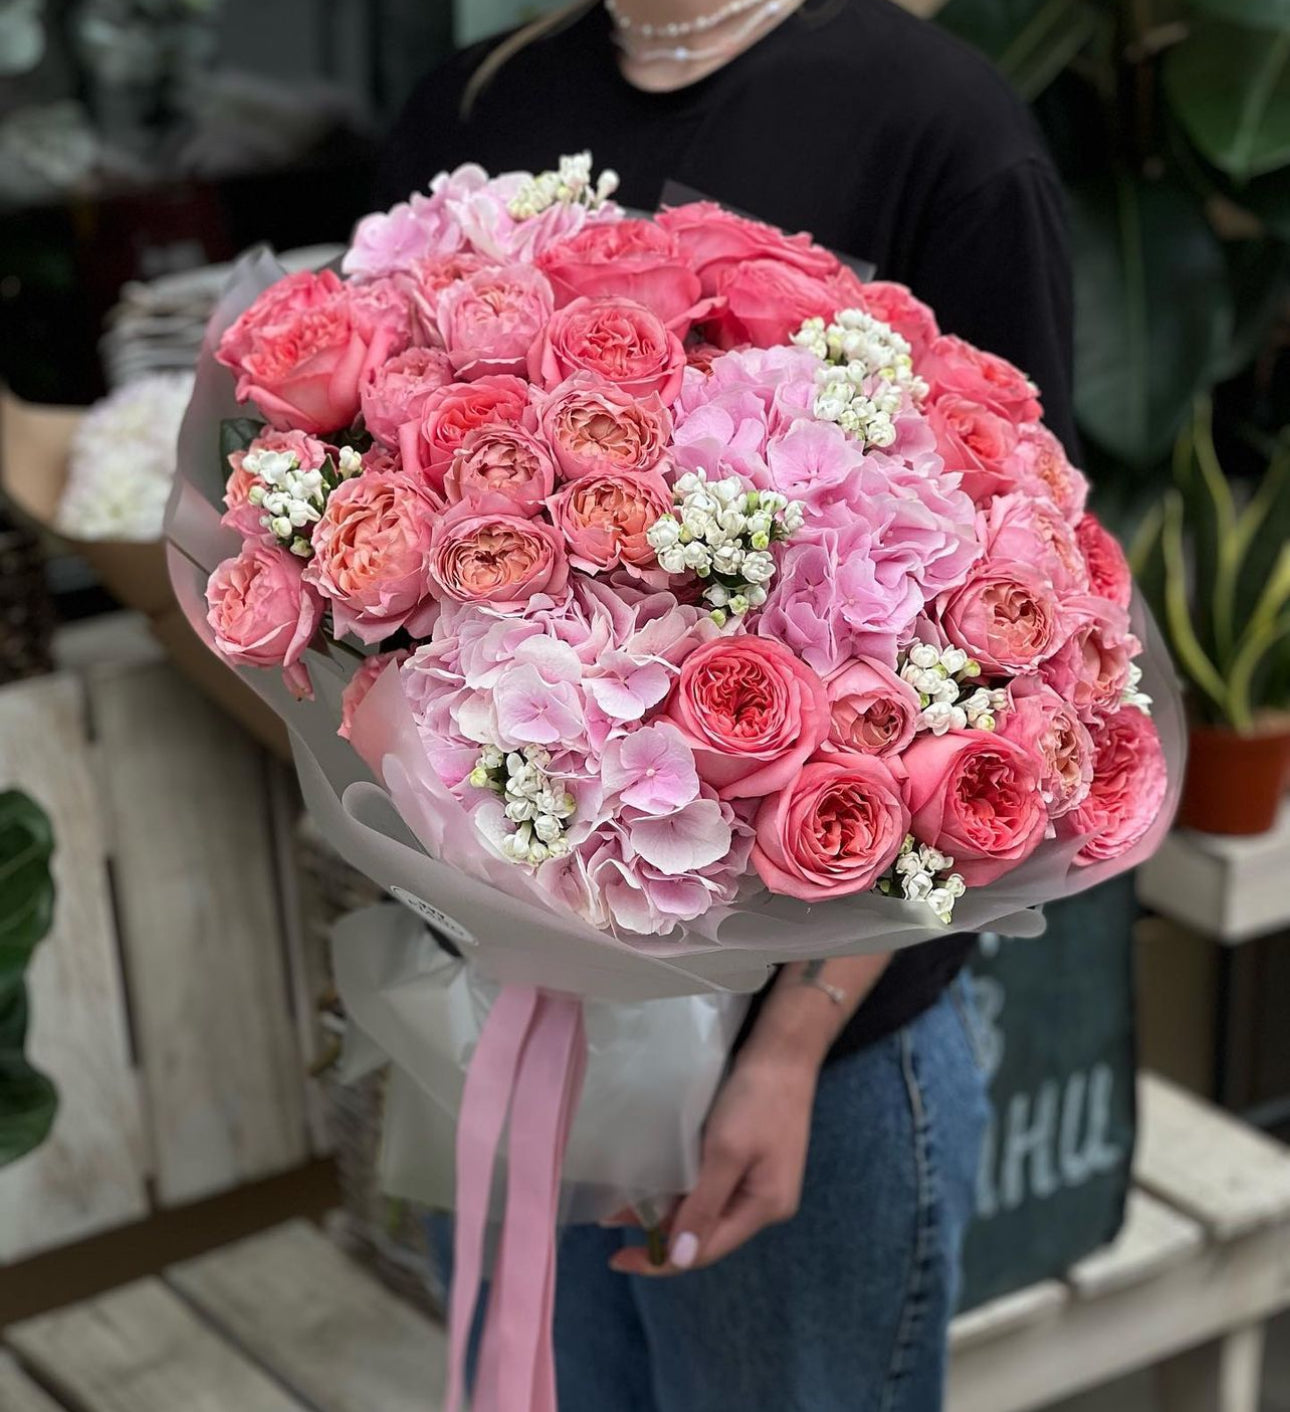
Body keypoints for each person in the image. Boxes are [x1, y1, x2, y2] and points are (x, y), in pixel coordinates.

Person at [381, 3, 1076, 1408]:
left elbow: (1027, 632)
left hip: (808, 1054)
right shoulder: (480, 101)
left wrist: (798, 1040)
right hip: (520, 1006)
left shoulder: (939, 125)